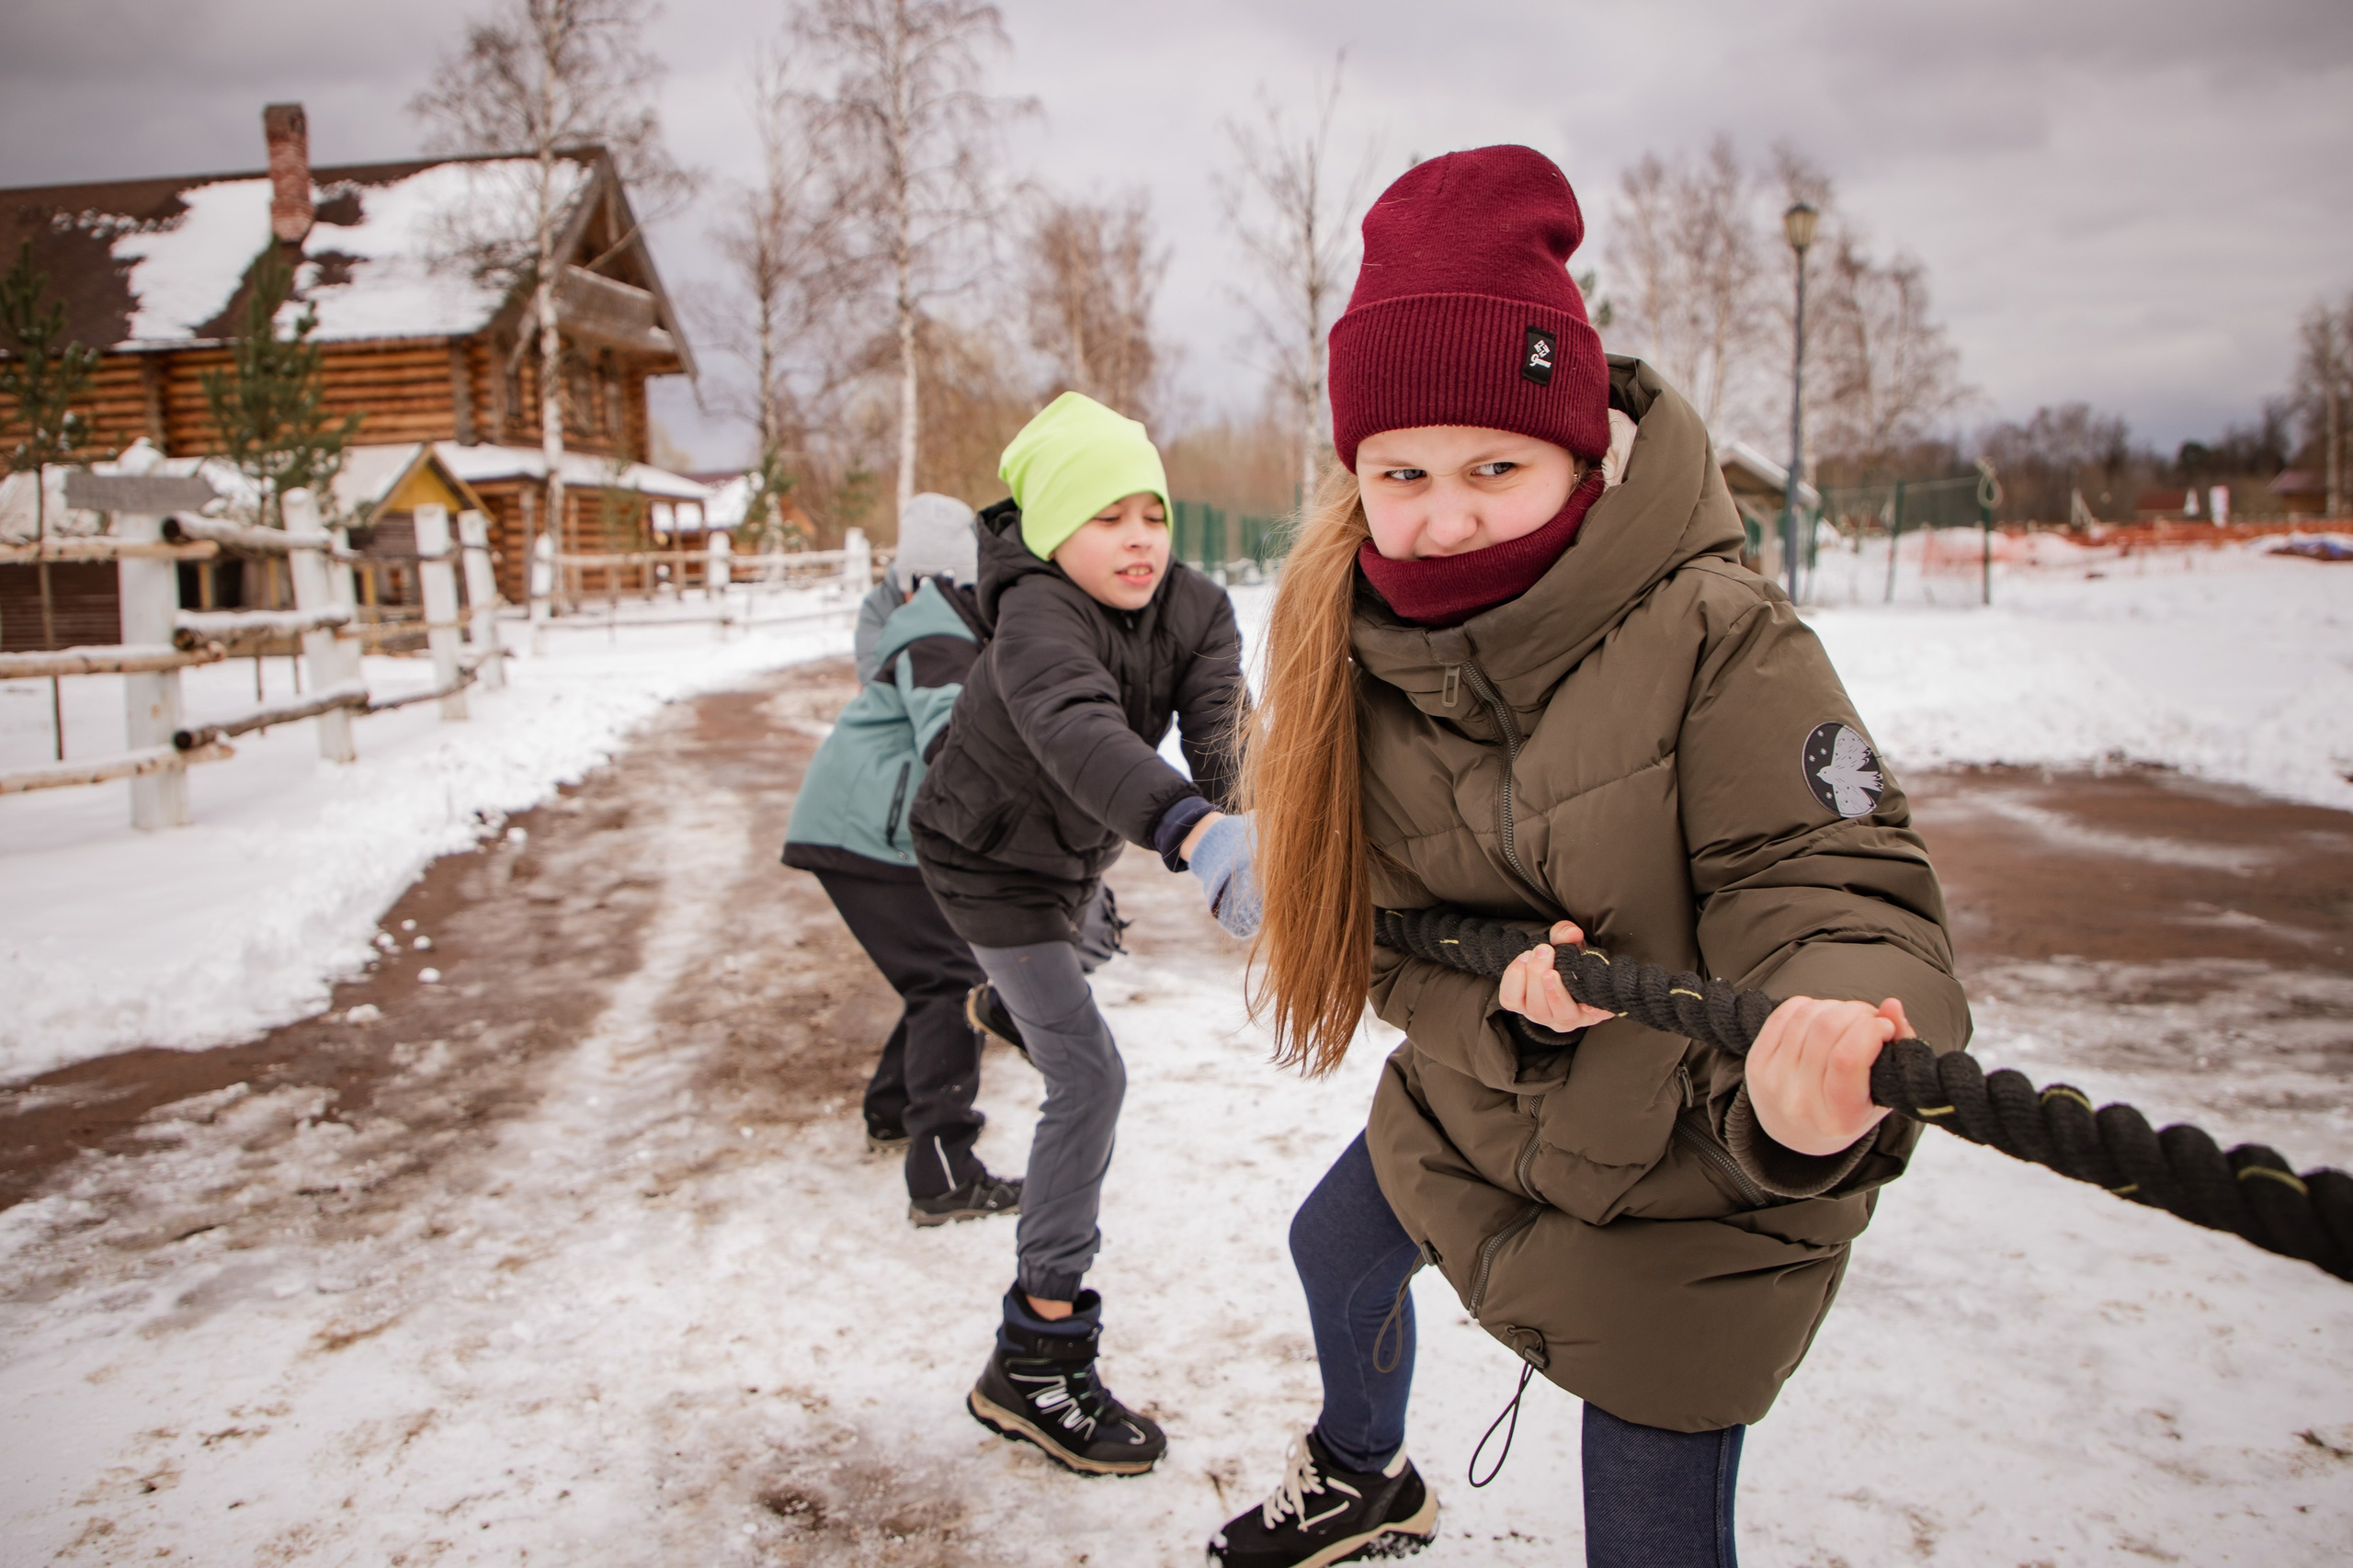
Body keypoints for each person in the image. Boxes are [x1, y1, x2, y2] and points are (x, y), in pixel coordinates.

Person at [1200, 146, 1972, 1567]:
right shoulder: (1351, 655)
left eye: (1494, 464)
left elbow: (1828, 878)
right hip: (1486, 1099)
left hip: (1691, 1161)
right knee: (1338, 1244)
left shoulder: (1719, 634)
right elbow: (1384, 942)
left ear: (1576, 450)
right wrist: (1491, 1004)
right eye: (1401, 471)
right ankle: (1366, 1474)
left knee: (1650, 1485)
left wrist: (1818, 1065)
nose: (1442, 514)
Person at [908, 391, 1246, 1477]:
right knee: (1089, 1077)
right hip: (983, 861)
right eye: (1107, 516)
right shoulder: (1036, 615)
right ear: (1055, 531)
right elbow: (1078, 728)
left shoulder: (1197, 606)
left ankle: (1011, 1004)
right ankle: (1036, 1353)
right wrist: (1189, 829)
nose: (1139, 535)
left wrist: (1259, 830)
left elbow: (1221, 735)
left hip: (1072, 860)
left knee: (1087, 949)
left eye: (1151, 509)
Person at [781, 493, 1022, 1225]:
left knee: (938, 971)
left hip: (870, 830)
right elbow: (950, 737)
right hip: (866, 833)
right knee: (949, 980)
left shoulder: (946, 625)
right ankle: (944, 1171)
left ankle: (893, 1111)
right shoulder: (937, 632)